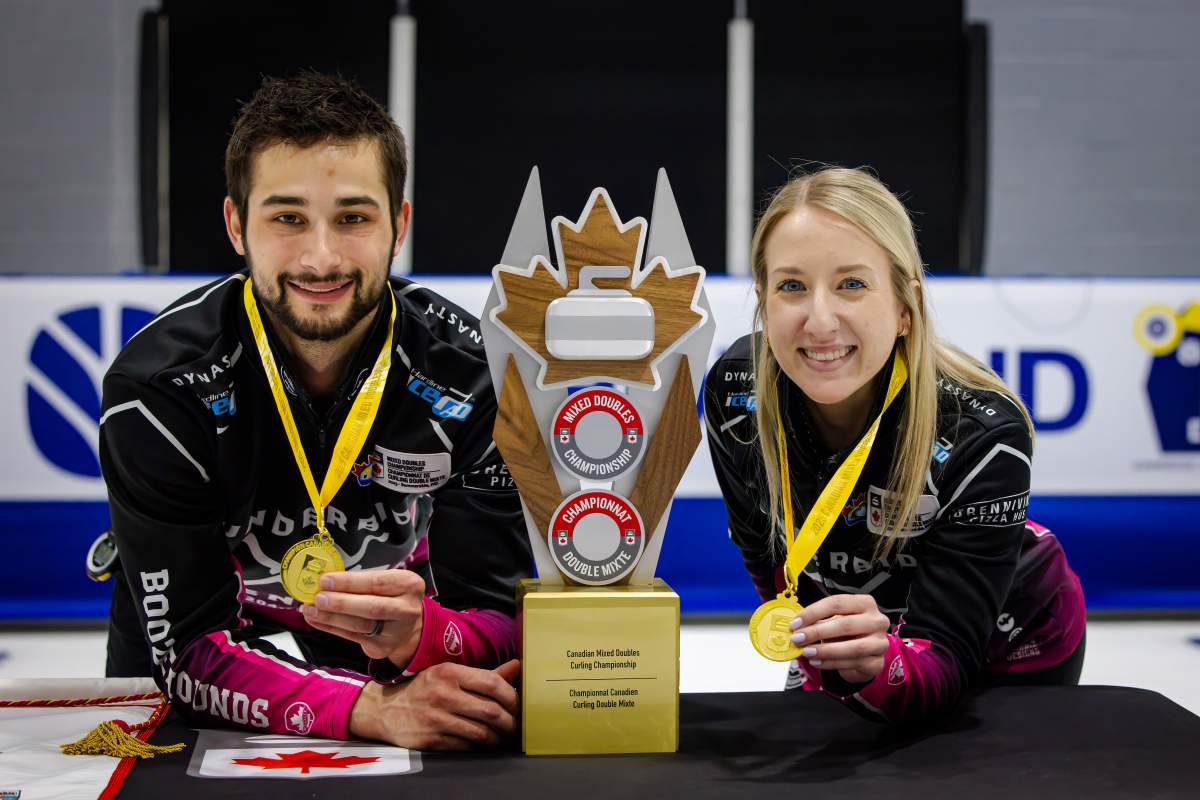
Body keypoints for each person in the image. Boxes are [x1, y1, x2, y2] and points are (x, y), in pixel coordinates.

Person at [100, 72, 532, 750]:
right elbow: (181, 651)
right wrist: (369, 711)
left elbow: (508, 619)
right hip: (196, 713)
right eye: (288, 217)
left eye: (354, 218)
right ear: (237, 225)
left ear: (400, 225)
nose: (321, 256)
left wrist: (431, 635)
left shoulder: (476, 377)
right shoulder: (160, 388)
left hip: (397, 682)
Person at [704, 167, 1086, 723]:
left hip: (1011, 642)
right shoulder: (735, 393)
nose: (819, 320)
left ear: (906, 307)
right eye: (791, 286)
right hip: (864, 639)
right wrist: (822, 640)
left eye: (852, 284)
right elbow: (766, 554)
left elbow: (947, 657)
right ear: (762, 300)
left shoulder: (982, 430)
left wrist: (882, 668)